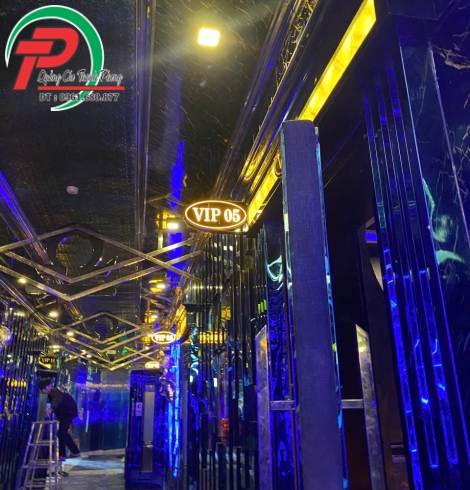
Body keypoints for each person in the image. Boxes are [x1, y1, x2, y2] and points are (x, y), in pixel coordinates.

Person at [38, 378, 81, 461]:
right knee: (63, 433)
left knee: (61, 433)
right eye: (42, 388)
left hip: (68, 413)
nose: (43, 390)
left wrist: (51, 410)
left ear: (49, 386)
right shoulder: (52, 393)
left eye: (45, 387)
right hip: (65, 414)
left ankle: (62, 455)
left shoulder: (56, 392)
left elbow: (57, 401)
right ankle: (75, 452)